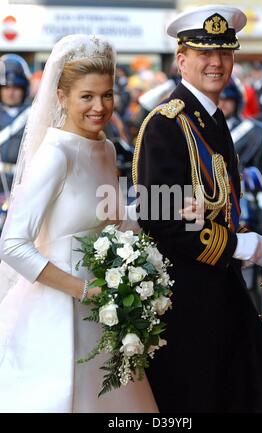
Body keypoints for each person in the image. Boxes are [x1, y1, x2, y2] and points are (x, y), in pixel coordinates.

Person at [133, 5, 262, 412]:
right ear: (181, 60)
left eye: (224, 53)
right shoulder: (166, 123)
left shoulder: (209, 117)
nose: (216, 63)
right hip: (186, 303)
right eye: (204, 54)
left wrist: (245, 247)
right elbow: (159, 217)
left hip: (218, 290)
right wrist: (237, 247)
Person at [0, 34, 160, 413]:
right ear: (62, 97)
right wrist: (84, 290)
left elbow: (114, 220)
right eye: (86, 96)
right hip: (56, 316)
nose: (99, 106)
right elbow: (12, 245)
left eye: (107, 95)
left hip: (106, 312)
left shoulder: (104, 147)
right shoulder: (54, 155)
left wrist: (144, 266)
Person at [0, 54, 31, 231]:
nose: (10, 92)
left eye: (16, 87)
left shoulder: (34, 113)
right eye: (5, 87)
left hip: (22, 185)